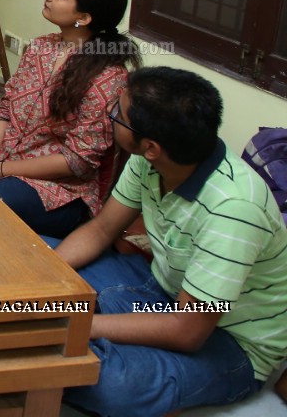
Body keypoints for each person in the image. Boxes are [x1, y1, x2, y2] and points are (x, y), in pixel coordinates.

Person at [54, 67, 287, 416]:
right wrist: (45, 279)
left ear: (151, 146)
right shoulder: (151, 161)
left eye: (118, 113)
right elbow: (102, 230)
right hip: (158, 292)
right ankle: (65, 334)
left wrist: (80, 326)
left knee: (111, 384)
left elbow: (187, 329)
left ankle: (66, 342)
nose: (112, 117)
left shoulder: (234, 209)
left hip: (225, 340)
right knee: (34, 257)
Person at [0, 0, 139, 237]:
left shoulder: (108, 77)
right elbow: (5, 109)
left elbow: (77, 160)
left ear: (84, 17)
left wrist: (0, 169)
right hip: (1, 160)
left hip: (58, 192)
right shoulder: (41, 47)